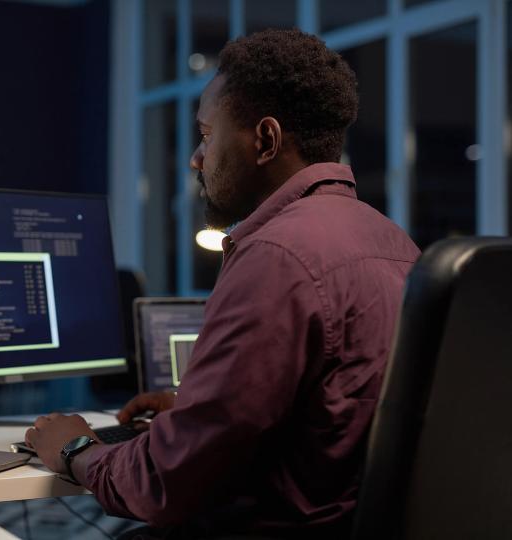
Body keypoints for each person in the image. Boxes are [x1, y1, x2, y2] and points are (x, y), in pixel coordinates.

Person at [25, 28, 420, 539]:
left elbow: (165, 484)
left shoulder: (277, 256)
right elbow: (337, 409)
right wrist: (199, 410)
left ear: (265, 140)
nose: (195, 157)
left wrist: (77, 449)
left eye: (208, 135)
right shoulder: (394, 241)